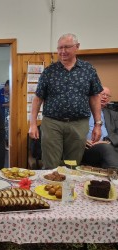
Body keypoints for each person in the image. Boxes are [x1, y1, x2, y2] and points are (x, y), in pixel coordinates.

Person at [28, 33, 103, 169]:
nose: (62, 51)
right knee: (51, 164)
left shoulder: (88, 70)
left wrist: (98, 124)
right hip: (52, 123)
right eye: (59, 48)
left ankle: (68, 189)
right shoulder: (49, 72)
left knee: (73, 164)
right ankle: (49, 189)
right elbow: (38, 98)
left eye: (67, 47)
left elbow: (95, 96)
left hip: (78, 124)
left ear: (77, 47)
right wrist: (32, 124)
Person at [82, 87, 118, 168]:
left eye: (108, 96)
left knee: (106, 147)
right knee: (105, 148)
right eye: (102, 94)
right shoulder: (81, 111)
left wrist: (107, 141)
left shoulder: (114, 115)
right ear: (93, 96)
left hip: (108, 146)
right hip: (86, 148)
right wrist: (82, 141)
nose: (105, 97)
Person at [0, 80, 10, 149]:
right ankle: (4, 145)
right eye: (8, 87)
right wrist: (6, 105)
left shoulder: (11, 93)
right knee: (3, 129)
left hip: (9, 115)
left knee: (9, 130)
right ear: (6, 85)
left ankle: (9, 144)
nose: (9, 89)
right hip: (2, 114)